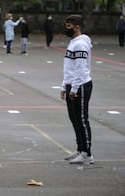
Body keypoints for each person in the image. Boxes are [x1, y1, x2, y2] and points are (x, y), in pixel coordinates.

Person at [60, 14, 94, 165]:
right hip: (71, 84)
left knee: (81, 119)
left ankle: (87, 153)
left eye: (69, 26)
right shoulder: (74, 42)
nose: (66, 29)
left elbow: (81, 69)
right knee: (74, 119)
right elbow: (69, 68)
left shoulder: (80, 44)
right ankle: (80, 149)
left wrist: (74, 88)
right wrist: (64, 86)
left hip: (80, 85)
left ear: (77, 27)